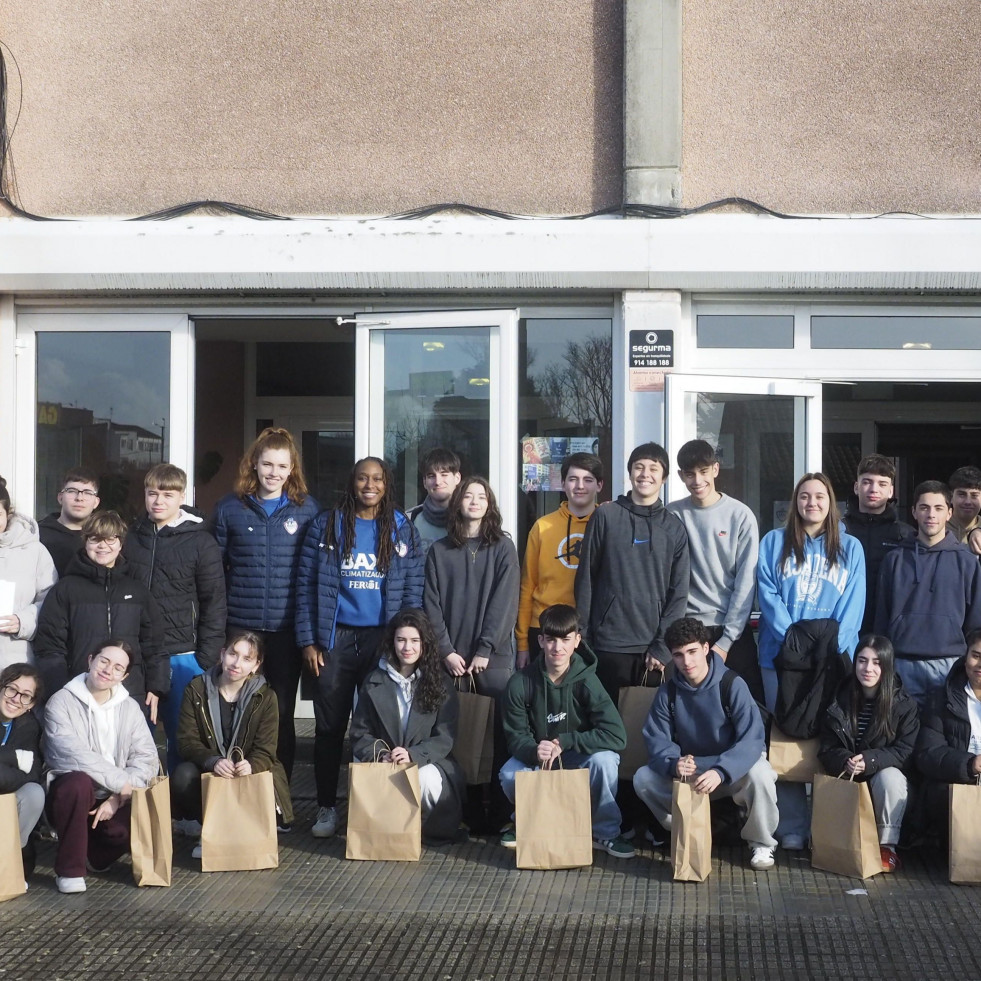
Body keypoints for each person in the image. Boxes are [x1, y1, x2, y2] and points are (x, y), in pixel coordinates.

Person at [296, 456, 423, 838]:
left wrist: (403, 642)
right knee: (330, 727)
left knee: (377, 728)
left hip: (380, 641)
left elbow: (414, 589)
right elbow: (305, 586)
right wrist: (308, 640)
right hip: (334, 639)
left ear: (388, 484)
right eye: (363, 478)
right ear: (352, 483)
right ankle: (325, 808)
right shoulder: (327, 524)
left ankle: (372, 808)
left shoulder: (401, 527)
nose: (370, 485)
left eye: (378, 479)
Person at [757, 472, 865, 850]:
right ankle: (792, 828)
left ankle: (825, 825)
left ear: (830, 502)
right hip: (782, 657)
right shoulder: (774, 542)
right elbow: (767, 592)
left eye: (819, 496)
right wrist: (795, 639)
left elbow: (854, 601)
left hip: (831, 659)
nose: (812, 503)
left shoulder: (850, 547)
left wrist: (831, 643)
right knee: (786, 736)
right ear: (795, 502)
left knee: (830, 739)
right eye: (804, 496)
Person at [210, 428, 320, 783]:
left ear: (292, 470)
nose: (274, 472)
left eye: (282, 466)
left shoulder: (306, 510)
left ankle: (277, 796)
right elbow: (214, 571)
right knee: (235, 711)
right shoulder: (230, 509)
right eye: (267, 463)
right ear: (254, 465)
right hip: (242, 629)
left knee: (280, 714)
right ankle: (234, 795)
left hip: (287, 632)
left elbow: (313, 573)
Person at [633, 617, 779, 871]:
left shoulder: (732, 684)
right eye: (678, 655)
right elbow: (656, 739)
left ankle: (761, 842)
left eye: (692, 652)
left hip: (730, 770)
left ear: (706, 648)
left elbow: (752, 741)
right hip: (693, 770)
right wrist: (673, 763)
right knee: (643, 778)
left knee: (762, 773)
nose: (686, 662)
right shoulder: (668, 691)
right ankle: (684, 829)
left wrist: (721, 771)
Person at [424, 475, 519, 832]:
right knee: (454, 735)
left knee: (495, 736)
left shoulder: (503, 548)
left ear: (489, 504)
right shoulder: (439, 550)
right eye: (469, 495)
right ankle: (459, 812)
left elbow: (505, 602)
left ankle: (493, 814)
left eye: (482, 496)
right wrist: (446, 651)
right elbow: (430, 605)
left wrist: (485, 649)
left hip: (491, 661)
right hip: (450, 660)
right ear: (458, 502)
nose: (475, 501)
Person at [499, 604, 632, 857]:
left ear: (577, 641)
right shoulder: (520, 683)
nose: (557, 648)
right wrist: (534, 750)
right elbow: (515, 737)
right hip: (540, 757)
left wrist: (566, 741)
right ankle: (526, 823)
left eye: (565, 639)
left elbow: (617, 735)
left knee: (605, 760)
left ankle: (606, 833)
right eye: (550, 640)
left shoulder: (588, 681)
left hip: (576, 756)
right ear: (540, 641)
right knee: (509, 774)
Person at [122, 463, 226, 775]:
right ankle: (140, 813)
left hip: (183, 655)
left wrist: (204, 658)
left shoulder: (200, 541)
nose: (158, 501)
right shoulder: (130, 538)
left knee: (185, 739)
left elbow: (214, 603)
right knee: (134, 736)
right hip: (136, 656)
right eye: (152, 493)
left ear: (181, 497)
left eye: (167, 495)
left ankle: (185, 814)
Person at [574, 442, 690, 703]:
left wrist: (662, 647)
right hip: (606, 645)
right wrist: (584, 636)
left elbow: (679, 593)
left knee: (645, 731)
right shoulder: (606, 516)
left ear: (665, 477)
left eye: (653, 468)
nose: (645, 474)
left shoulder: (673, 528)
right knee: (604, 726)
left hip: (652, 651)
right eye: (639, 467)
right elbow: (585, 580)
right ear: (629, 473)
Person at [43, 641, 159, 894]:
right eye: (104, 661)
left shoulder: (129, 708)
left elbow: (146, 758)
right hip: (73, 796)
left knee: (127, 829)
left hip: (116, 796)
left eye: (118, 668)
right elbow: (72, 753)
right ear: (91, 659)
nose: (108, 670)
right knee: (77, 783)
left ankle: (93, 856)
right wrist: (121, 782)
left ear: (124, 676)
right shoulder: (61, 702)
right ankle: (69, 870)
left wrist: (118, 797)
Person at [33, 511, 167, 722]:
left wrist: (156, 686)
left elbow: (154, 643)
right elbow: (50, 647)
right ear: (85, 542)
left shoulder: (137, 590)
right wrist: (60, 691)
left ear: (121, 543)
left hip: (130, 693)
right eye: (95, 539)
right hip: (78, 693)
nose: (102, 546)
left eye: (110, 539)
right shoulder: (66, 589)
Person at [350, 608, 464, 843]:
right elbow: (360, 732)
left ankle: (430, 827)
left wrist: (412, 755)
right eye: (401, 640)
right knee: (360, 763)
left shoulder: (440, 682)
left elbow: (445, 737)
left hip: (427, 760)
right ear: (392, 642)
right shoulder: (373, 681)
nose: (407, 647)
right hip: (385, 759)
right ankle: (383, 829)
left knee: (424, 778)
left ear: (424, 644)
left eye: (414, 640)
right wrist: (381, 755)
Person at [174, 631, 293, 854]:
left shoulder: (266, 697)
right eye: (233, 654)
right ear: (222, 654)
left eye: (247, 659)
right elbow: (186, 741)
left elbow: (267, 749)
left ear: (256, 665)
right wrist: (212, 760)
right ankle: (208, 831)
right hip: (212, 771)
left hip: (247, 771)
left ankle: (243, 832)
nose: (237, 663)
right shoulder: (197, 689)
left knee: (264, 779)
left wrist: (252, 764)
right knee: (183, 776)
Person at [668, 440, 761, 700]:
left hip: (730, 630)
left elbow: (746, 582)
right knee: (693, 710)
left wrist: (727, 640)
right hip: (687, 630)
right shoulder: (672, 515)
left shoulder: (740, 516)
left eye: (703, 471)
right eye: (689, 474)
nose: (697, 480)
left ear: (716, 470)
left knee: (749, 707)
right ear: (680, 476)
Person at [875, 480, 981, 709]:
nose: (931, 514)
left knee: (944, 740)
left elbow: (975, 624)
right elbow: (881, 618)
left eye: (938, 508)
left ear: (949, 513)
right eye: (924, 507)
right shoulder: (894, 560)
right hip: (901, 664)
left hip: (951, 665)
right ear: (914, 512)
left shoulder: (967, 562)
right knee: (902, 739)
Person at [818, 634, 918, 873]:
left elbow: (906, 751)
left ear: (887, 665)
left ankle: (887, 847)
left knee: (890, 777)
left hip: (886, 784)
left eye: (876, 662)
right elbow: (827, 746)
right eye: (862, 661)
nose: (868, 668)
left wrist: (872, 760)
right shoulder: (839, 697)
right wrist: (845, 760)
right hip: (849, 777)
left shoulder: (903, 704)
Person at [516, 453, 604, 670]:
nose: (580, 486)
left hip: (588, 631)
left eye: (588, 480)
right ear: (563, 483)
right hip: (544, 629)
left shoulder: (607, 524)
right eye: (573, 479)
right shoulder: (542, 527)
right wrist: (522, 643)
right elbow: (528, 586)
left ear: (600, 485)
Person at [915, 628, 981, 842]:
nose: (980, 665)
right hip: (958, 784)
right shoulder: (941, 697)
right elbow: (928, 753)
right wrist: (970, 764)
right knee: (938, 793)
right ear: (965, 658)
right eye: (976, 656)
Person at [842, 454, 915, 634]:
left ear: (891, 491)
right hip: (843, 624)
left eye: (882, 484)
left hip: (888, 628)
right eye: (867, 482)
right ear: (856, 487)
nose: (874, 489)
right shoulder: (839, 531)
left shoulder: (905, 535)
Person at [0, 476, 57, 671]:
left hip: (15, 662)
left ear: (8, 514)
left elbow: (51, 601)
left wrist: (23, 622)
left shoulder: (34, 551)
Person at [0, 663, 45, 878]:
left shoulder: (29, 726)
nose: (16, 699)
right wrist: (13, 757)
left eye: (25, 695)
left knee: (34, 793)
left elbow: (33, 775)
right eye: (11, 689)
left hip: (6, 806)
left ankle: (11, 862)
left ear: (31, 704)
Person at [37, 467, 101, 577]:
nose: (79, 498)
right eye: (72, 491)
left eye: (87, 492)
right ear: (60, 498)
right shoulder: (38, 535)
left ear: (96, 502)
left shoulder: (103, 539)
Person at [407, 448, 462, 555]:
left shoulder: (471, 519)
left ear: (457, 478)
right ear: (424, 482)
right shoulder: (409, 520)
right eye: (431, 476)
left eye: (444, 474)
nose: (438, 482)